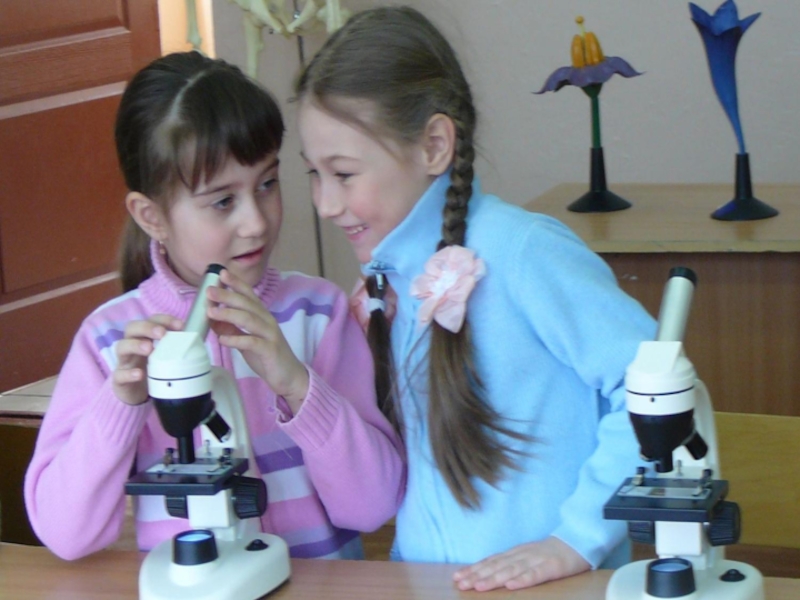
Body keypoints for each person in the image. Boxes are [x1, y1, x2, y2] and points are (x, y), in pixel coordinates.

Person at [294, 6, 657, 592]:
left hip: (555, 590)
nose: (325, 204)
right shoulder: (383, 287)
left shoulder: (524, 252)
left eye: (343, 174)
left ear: (434, 145)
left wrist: (576, 539)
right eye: (313, 173)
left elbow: (660, 392)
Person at [24, 51, 405, 561]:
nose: (256, 222)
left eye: (267, 184)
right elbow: (65, 534)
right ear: (151, 216)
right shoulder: (108, 341)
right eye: (222, 201)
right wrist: (120, 404)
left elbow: (373, 506)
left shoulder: (319, 314)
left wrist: (297, 384)